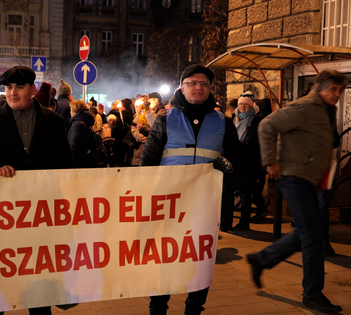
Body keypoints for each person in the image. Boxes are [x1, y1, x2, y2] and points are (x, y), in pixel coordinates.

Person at [0, 66, 74, 315]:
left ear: (33, 89)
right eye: (8, 87)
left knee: (38, 286)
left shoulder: (54, 122)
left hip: (41, 217)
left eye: (19, 87)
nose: (12, 93)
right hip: (1, 217)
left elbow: (66, 165)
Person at [140, 64, 240, 315]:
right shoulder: (165, 119)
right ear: (182, 87)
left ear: (209, 88)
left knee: (200, 261)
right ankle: (158, 308)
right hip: (168, 205)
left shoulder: (223, 122)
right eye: (193, 83)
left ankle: (194, 309)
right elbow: (148, 162)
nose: (199, 87)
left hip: (204, 205)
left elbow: (237, 161)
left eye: (204, 83)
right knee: (165, 260)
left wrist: (221, 169)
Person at [246, 70, 346, 314]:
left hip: (309, 178)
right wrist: (270, 161)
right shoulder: (305, 106)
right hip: (293, 176)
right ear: (320, 87)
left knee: (308, 231)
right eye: (333, 89)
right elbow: (267, 126)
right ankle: (312, 294)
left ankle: (262, 259)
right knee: (313, 235)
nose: (337, 94)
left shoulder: (325, 109)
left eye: (339, 91)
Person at [232, 91, 264, 231]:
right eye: (240, 104)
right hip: (237, 159)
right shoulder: (236, 119)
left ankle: (244, 222)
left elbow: (253, 141)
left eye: (245, 104)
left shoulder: (254, 120)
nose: (243, 106)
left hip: (248, 161)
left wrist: (237, 144)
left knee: (245, 193)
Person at [69, 100, 97, 168]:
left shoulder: (77, 125)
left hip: (80, 161)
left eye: (71, 110)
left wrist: (70, 160)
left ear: (75, 110)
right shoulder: (85, 121)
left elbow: (74, 145)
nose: (70, 112)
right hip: (87, 158)